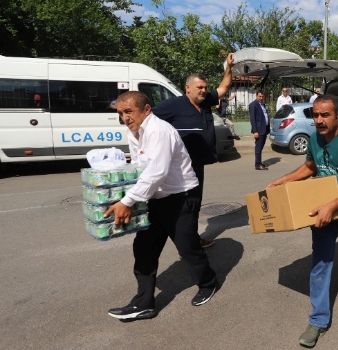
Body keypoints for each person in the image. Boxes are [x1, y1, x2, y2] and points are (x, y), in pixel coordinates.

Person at [105, 91, 219, 321]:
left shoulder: (159, 130)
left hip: (180, 197)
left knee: (188, 248)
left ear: (146, 109)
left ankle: (209, 283)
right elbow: (140, 169)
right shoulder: (134, 132)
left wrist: (127, 201)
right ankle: (144, 303)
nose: (125, 118)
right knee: (144, 249)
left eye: (129, 112)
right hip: (155, 198)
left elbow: (157, 172)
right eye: (121, 114)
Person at [266, 94, 338, 347]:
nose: (319, 120)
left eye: (325, 115)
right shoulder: (314, 139)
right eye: (316, 115)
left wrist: (332, 206)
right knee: (320, 264)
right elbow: (310, 168)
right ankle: (318, 321)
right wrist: (283, 180)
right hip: (321, 213)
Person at [152, 53, 234, 248]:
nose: (204, 91)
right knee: (185, 205)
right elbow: (149, 120)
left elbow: (223, 88)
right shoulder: (174, 105)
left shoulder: (205, 102)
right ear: (187, 88)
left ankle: (191, 238)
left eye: (205, 87)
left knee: (195, 203)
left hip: (198, 164)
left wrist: (229, 67)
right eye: (200, 87)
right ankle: (187, 242)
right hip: (180, 167)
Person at [249, 90, 270, 170]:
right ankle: (257, 164)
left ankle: (259, 162)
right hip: (259, 130)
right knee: (258, 147)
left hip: (264, 129)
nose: (261, 98)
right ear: (256, 96)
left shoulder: (263, 104)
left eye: (262, 96)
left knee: (261, 147)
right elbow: (253, 119)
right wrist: (255, 131)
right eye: (259, 96)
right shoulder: (253, 105)